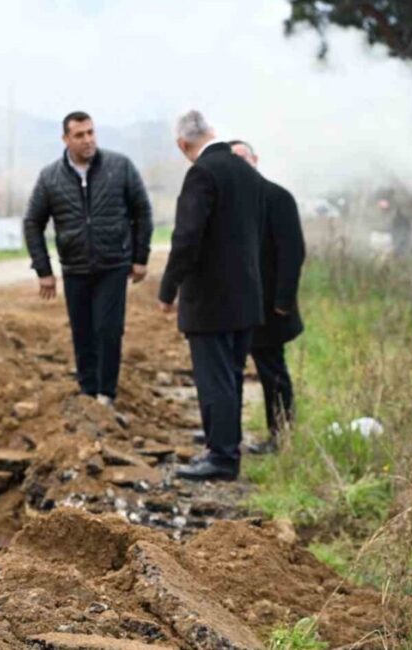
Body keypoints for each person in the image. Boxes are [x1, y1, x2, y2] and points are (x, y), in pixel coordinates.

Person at [159, 110, 264, 482]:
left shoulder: (202, 173)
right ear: (213, 132)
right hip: (247, 296)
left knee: (214, 378)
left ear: (183, 144)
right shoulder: (247, 172)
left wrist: (168, 288)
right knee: (231, 376)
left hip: (211, 300)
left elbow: (186, 239)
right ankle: (226, 446)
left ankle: (221, 457)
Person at [23, 111, 154, 404]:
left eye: (91, 132)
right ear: (66, 139)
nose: (88, 140)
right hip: (75, 267)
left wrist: (140, 256)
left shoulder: (120, 167)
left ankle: (106, 395)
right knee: (82, 333)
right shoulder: (50, 177)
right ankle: (87, 393)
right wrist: (43, 270)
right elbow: (33, 222)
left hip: (113, 264)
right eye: (80, 135)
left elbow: (142, 211)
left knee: (108, 330)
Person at [230, 140, 306, 454]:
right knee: (228, 372)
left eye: (244, 158)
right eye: (234, 160)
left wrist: (283, 301)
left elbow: (293, 252)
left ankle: (281, 436)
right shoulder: (229, 202)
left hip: (270, 305)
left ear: (255, 159)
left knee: (272, 372)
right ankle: (225, 434)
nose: (240, 165)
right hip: (233, 305)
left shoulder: (277, 197)